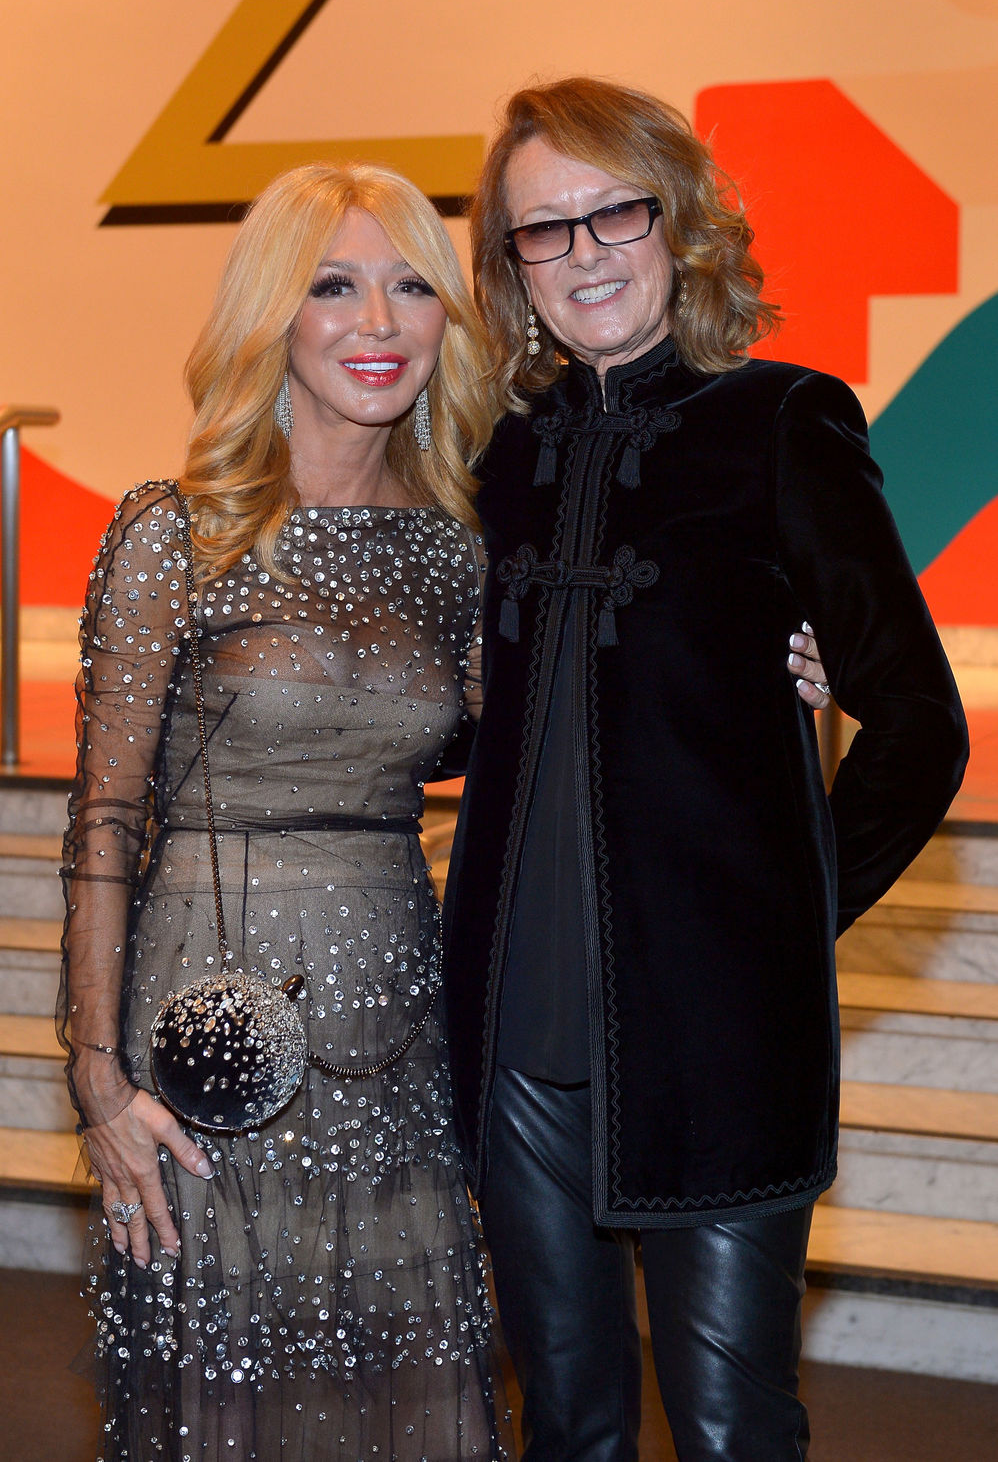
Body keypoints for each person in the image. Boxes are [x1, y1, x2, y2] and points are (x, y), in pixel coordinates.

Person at [442, 78, 969, 1462]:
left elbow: (918, 722)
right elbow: (455, 729)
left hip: (718, 1045)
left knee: (733, 1431)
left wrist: (788, 921)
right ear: (508, 267)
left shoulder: (783, 422)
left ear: (676, 221)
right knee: (564, 1421)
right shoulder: (489, 456)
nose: (583, 253)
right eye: (539, 232)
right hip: (510, 1043)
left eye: (612, 211)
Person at [57, 162, 511, 1462]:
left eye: (412, 285)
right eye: (334, 285)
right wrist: (94, 1077)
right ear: (274, 313)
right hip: (210, 1044)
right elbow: (102, 823)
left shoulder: (462, 554)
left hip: (397, 1047)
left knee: (413, 1397)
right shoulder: (175, 533)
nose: (378, 322)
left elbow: (550, 749)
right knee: (231, 1395)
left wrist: (780, 665)